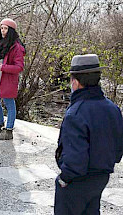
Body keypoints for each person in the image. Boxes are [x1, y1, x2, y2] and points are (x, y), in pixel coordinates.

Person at [54, 54, 123, 214]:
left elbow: (75, 159)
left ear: (75, 82)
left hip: (77, 181)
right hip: (101, 177)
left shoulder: (76, 113)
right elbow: (118, 148)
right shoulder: (112, 108)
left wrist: (64, 178)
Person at [0, 18, 25, 140]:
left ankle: (9, 131)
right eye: (1, 28)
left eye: (5, 28)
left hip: (7, 81)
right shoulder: (1, 42)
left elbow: (19, 67)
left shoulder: (16, 47)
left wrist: (3, 68)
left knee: (10, 105)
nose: (3, 30)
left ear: (11, 30)